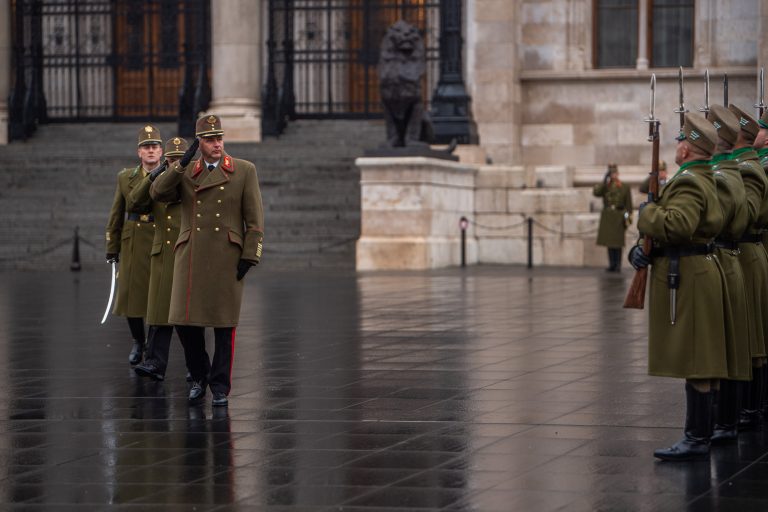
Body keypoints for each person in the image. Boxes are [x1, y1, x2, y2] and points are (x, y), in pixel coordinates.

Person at [630, 113, 727, 461]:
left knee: (697, 358)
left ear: (686, 148)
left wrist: (648, 212)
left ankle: (696, 437)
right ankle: (701, 432)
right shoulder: (702, 176)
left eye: (678, 140)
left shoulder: (688, 182)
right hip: (699, 271)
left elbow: (680, 225)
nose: (675, 146)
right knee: (703, 356)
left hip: (690, 275)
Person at [150, 115, 264, 407]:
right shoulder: (188, 171)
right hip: (191, 257)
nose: (217, 144)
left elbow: (254, 219)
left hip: (226, 257)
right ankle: (199, 376)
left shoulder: (242, 170)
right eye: (210, 139)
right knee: (185, 324)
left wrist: (250, 255)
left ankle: (220, 386)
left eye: (219, 138)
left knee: (224, 327)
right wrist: (180, 164)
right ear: (199, 143)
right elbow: (157, 192)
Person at [132, 137, 210, 382]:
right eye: (172, 159)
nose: (178, 163)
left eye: (181, 159)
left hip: (187, 252)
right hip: (164, 255)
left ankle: (196, 367)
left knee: (187, 319)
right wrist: (157, 174)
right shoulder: (160, 183)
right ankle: (155, 362)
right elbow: (135, 201)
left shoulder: (195, 181)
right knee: (159, 312)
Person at [706, 105, 752, 443]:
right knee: (740, 343)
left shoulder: (728, 174)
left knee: (728, 345)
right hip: (736, 256)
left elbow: (711, 222)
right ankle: (731, 418)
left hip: (728, 256)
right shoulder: (732, 172)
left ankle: (725, 421)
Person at [105, 125, 161, 365]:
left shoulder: (170, 174)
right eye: (146, 147)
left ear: (161, 151)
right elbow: (116, 214)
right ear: (139, 152)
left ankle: (154, 345)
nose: (150, 151)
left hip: (160, 235)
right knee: (130, 295)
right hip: (134, 238)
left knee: (158, 295)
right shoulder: (125, 177)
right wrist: (112, 247)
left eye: (155, 146)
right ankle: (139, 341)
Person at [593, 163, 632, 272]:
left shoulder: (624, 187)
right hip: (608, 217)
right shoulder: (606, 186)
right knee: (609, 242)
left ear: (618, 174)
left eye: (614, 173)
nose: (613, 175)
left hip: (619, 216)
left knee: (618, 243)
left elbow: (628, 205)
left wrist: (628, 219)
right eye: (611, 174)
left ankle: (618, 264)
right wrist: (604, 180)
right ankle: (612, 264)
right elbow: (596, 192)